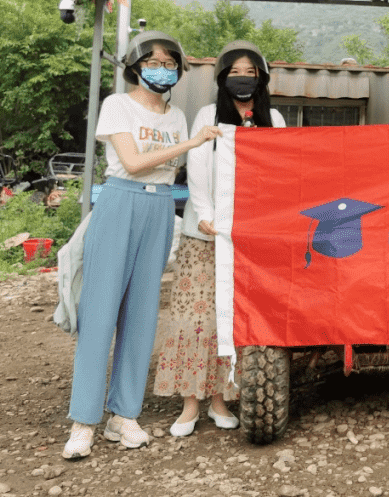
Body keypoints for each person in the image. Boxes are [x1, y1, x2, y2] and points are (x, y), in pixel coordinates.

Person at [63, 31, 221, 460]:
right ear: (135, 65)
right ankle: (84, 421)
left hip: (160, 209)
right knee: (100, 311)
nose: (162, 68)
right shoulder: (118, 105)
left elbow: (172, 170)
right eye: (153, 61)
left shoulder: (176, 114)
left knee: (142, 314)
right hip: (120, 201)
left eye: (170, 63)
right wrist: (188, 144)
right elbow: (132, 163)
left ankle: (124, 415)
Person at [154, 40, 286, 437]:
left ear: (261, 78)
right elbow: (197, 165)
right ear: (222, 78)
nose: (242, 79)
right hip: (205, 234)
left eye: (250, 73)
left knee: (236, 316)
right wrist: (207, 214)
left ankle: (221, 399)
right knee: (197, 316)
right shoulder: (208, 115)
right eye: (235, 72)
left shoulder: (273, 118)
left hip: (251, 238)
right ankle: (190, 403)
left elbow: (280, 171)